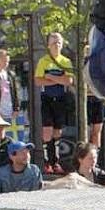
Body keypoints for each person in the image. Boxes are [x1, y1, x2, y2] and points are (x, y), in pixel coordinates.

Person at [35, 32, 74, 175]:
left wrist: (50, 77)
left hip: (61, 98)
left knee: (57, 132)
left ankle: (56, 162)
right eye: (53, 43)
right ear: (48, 45)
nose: (56, 46)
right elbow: (38, 81)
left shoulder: (66, 61)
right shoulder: (43, 61)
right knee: (47, 131)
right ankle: (47, 162)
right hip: (47, 98)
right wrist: (59, 79)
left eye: (58, 43)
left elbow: (68, 81)